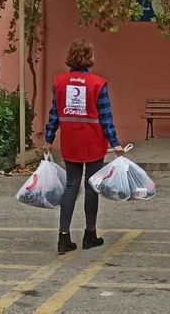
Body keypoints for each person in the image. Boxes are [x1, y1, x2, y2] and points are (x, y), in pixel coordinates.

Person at [43, 39, 124, 255]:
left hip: (70, 141)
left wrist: (48, 139)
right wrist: (115, 143)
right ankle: (90, 235)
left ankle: (63, 237)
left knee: (71, 185)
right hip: (94, 141)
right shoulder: (98, 84)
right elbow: (106, 117)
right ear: (87, 57)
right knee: (91, 186)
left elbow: (54, 114)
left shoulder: (59, 82)